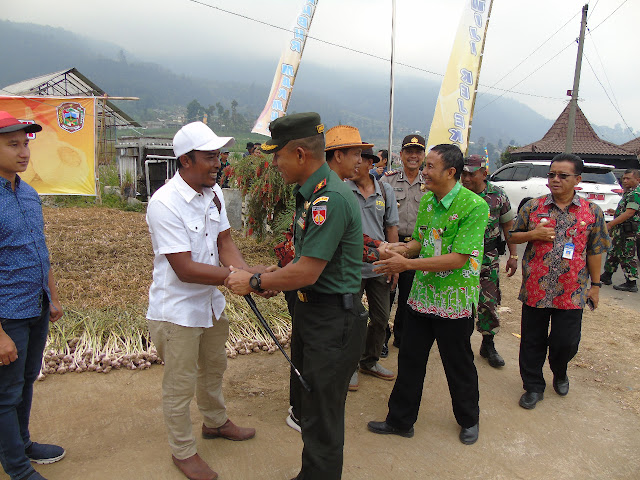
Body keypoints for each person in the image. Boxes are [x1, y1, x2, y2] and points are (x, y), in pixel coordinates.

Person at [225, 112, 367, 480]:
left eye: (278, 156)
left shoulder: (329, 199)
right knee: (313, 410)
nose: (274, 163)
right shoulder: (312, 196)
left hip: (333, 322)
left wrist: (252, 283)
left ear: (301, 154)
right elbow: (307, 261)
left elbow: (308, 272)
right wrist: (271, 274)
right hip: (317, 316)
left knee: (322, 415)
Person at [146, 121, 260, 480]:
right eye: (210, 156)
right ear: (185, 160)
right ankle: (183, 451)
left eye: (219, 155)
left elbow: (225, 243)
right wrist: (236, 278)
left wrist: (250, 279)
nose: (219, 163)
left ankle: (214, 422)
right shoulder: (164, 203)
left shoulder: (214, 194)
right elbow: (183, 268)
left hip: (210, 305)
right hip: (177, 311)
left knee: (213, 369)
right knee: (179, 385)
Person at [368, 144, 488, 445]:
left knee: (457, 363)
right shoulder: (429, 202)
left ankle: (468, 419)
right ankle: (400, 420)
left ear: (450, 172)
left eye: (430, 166)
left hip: (454, 301)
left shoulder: (474, 206)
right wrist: (398, 248)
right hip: (423, 296)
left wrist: (406, 263)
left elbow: (459, 258)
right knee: (410, 359)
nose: (424, 171)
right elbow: (421, 241)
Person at [509, 153, 610, 410]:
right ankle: (533, 386)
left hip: (572, 291)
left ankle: (560, 370)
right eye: (551, 174)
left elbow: (596, 250)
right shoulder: (533, 207)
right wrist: (534, 234)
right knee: (532, 341)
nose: (555, 179)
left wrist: (595, 287)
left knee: (566, 342)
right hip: (536, 288)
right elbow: (514, 236)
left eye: (562, 175)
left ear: (577, 179)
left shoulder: (591, 212)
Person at [0, 111, 65, 480]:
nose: (23, 152)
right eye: (13, 145)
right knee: (5, 394)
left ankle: (20, 443)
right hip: (6, 312)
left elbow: (39, 250)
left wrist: (52, 298)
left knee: (25, 381)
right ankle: (18, 469)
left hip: (35, 306)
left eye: (25, 144)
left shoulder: (27, 193)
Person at [346, 147, 399, 391]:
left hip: (379, 266)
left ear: (369, 163)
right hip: (352, 266)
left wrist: (395, 263)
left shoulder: (385, 191)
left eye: (360, 161)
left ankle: (370, 360)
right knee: (351, 319)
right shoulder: (344, 190)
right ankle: (350, 367)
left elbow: (391, 229)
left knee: (380, 318)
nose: (354, 165)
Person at [460, 154, 518, 368]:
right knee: (462, 302)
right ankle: (461, 345)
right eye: (463, 173)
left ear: (484, 173)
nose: (466, 178)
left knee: (488, 302)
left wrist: (513, 255)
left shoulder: (498, 196)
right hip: (462, 258)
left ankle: (488, 343)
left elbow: (508, 226)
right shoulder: (457, 195)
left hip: (488, 258)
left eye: (471, 174)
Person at [379, 134, 428, 350]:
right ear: (401, 155)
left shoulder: (430, 183)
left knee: (410, 297)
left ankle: (402, 336)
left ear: (424, 156)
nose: (413, 156)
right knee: (386, 294)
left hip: (417, 247)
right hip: (391, 245)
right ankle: (380, 338)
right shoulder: (386, 181)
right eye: (409, 152)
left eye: (418, 152)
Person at [601, 169, 640, 292]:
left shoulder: (636, 194)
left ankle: (631, 282)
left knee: (626, 255)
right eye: (623, 178)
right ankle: (607, 275)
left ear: (637, 180)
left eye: (628, 178)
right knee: (613, 252)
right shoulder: (629, 193)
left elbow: (629, 213)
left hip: (629, 231)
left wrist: (610, 224)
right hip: (621, 230)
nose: (625, 181)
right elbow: (626, 211)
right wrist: (615, 212)